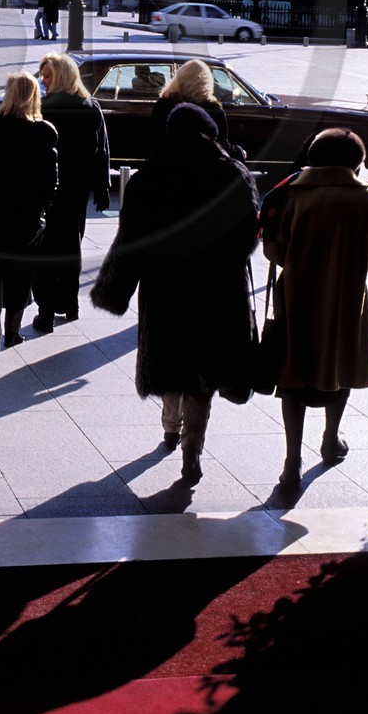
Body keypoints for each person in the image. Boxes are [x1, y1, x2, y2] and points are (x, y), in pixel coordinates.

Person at [90, 103, 260, 485]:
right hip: (217, 286)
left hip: (165, 285)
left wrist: (115, 288)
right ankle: (192, 446)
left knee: (170, 359)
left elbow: (131, 239)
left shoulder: (149, 177)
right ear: (210, 133)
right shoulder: (232, 173)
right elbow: (249, 234)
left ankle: (170, 426)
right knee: (204, 374)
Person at [263, 127, 368, 493]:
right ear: (357, 161)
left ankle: (291, 461)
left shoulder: (292, 194)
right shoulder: (366, 198)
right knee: (341, 364)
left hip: (295, 294)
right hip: (345, 296)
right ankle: (330, 439)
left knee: (291, 372)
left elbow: (274, 250)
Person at [0, 71, 59, 359]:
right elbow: (50, 180)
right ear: (34, 97)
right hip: (26, 217)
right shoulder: (44, 132)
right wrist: (42, 207)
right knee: (20, 274)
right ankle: (13, 332)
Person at [30, 52, 111, 332]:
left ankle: (47, 312)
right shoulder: (90, 106)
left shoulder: (47, 108)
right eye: (42, 76)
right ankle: (70, 305)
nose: (44, 81)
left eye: (48, 76)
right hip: (76, 190)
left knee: (48, 251)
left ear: (61, 76)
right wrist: (102, 187)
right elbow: (102, 151)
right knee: (71, 246)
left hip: (51, 189)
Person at [146, 58, 243, 158]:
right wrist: (240, 152)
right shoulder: (213, 109)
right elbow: (222, 146)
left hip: (167, 166)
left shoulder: (163, 105)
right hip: (201, 169)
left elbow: (154, 139)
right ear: (206, 82)